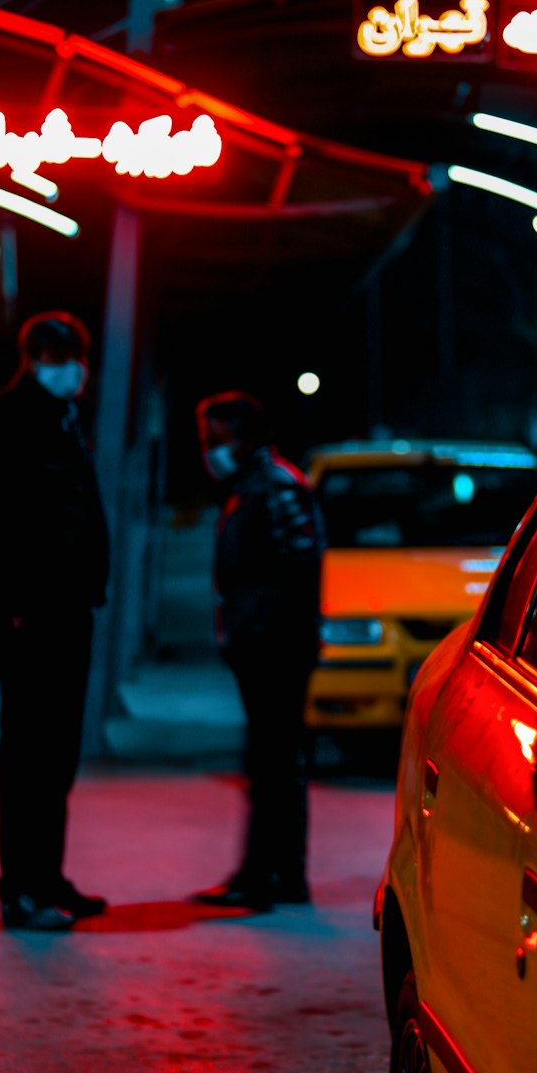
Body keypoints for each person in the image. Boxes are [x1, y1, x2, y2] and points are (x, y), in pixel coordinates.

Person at [0, 311, 111, 932]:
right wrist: (14, 608)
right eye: (63, 356)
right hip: (31, 613)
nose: (75, 367)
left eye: (77, 354)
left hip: (66, 605)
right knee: (30, 751)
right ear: (37, 357)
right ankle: (22, 889)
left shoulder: (60, 417)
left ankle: (46, 878)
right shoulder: (10, 419)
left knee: (56, 752)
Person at [190, 390, 325, 912]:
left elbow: (296, 570)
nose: (209, 450)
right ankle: (280, 875)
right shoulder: (253, 487)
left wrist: (261, 634)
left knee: (272, 764)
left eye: (216, 439)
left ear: (245, 438)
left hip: (275, 651)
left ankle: (263, 877)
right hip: (267, 647)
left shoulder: (273, 489)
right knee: (275, 764)